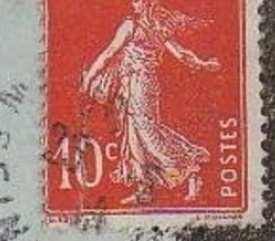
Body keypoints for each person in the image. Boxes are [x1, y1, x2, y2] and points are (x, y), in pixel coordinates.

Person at [81, 0, 221, 204]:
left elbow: (108, 54)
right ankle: (143, 188)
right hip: (134, 84)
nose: (134, 3)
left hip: (140, 84)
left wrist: (88, 79)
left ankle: (190, 165)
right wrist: (204, 64)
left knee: (148, 133)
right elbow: (182, 54)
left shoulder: (134, 26)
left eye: (138, 0)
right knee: (134, 134)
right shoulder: (157, 28)